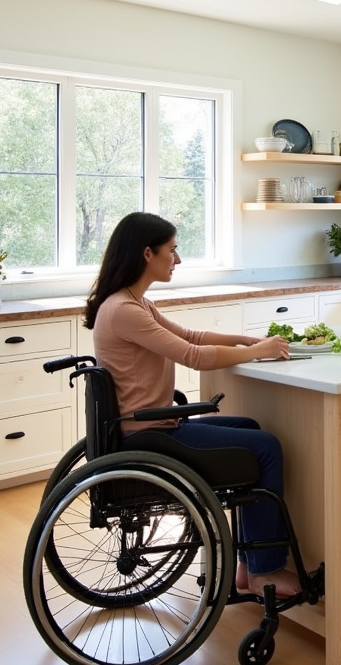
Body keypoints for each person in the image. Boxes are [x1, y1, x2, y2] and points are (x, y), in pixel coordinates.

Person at [84, 211, 301, 597]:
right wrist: (257, 352)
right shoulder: (125, 311)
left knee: (250, 429)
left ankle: (248, 566)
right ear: (147, 253)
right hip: (148, 434)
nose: (178, 259)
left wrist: (247, 341)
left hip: (152, 425)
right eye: (173, 250)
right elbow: (193, 354)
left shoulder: (133, 304)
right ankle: (265, 571)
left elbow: (191, 334)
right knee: (267, 448)